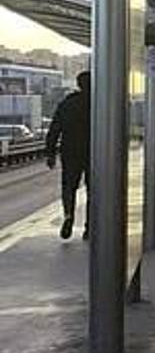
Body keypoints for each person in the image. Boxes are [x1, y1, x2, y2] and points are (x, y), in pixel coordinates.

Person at [46, 71, 90, 240]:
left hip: (70, 152)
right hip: (94, 151)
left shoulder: (67, 103)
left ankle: (69, 216)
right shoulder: (98, 102)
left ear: (78, 84)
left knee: (69, 187)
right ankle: (89, 226)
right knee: (93, 190)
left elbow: (54, 129)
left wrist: (50, 153)